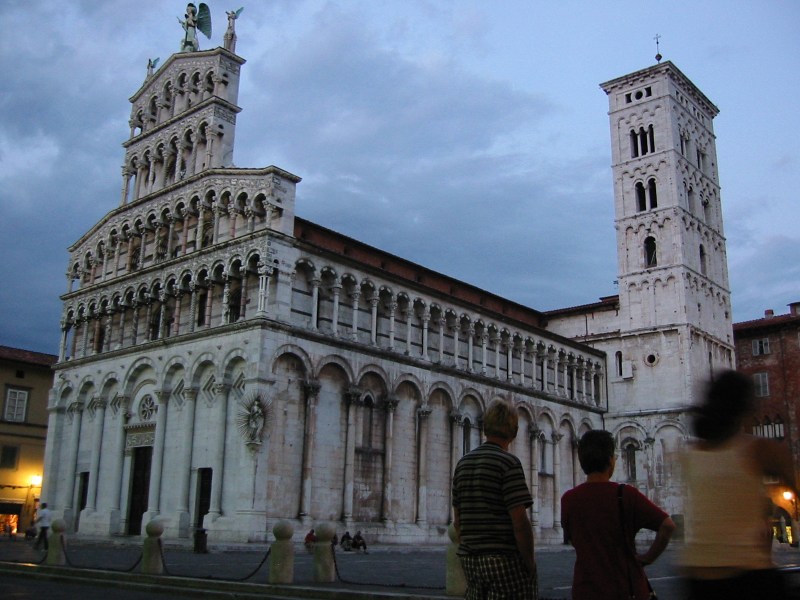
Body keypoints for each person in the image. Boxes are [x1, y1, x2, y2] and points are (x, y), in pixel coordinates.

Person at [680, 370, 796, 599]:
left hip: (697, 577)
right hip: (747, 577)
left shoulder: (690, 455)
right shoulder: (759, 450)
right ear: (745, 409)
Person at [561, 430, 675, 600]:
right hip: (625, 587)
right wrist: (647, 559)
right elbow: (667, 525)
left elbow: (571, 537)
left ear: (582, 461)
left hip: (586, 589)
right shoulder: (625, 494)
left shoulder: (569, 499)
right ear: (610, 460)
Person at [452, 398, 537, 599]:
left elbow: (458, 522)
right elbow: (520, 523)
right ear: (514, 432)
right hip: (502, 560)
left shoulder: (462, 464)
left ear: (485, 427)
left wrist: (473, 549)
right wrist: (529, 562)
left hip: (470, 561)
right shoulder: (508, 463)